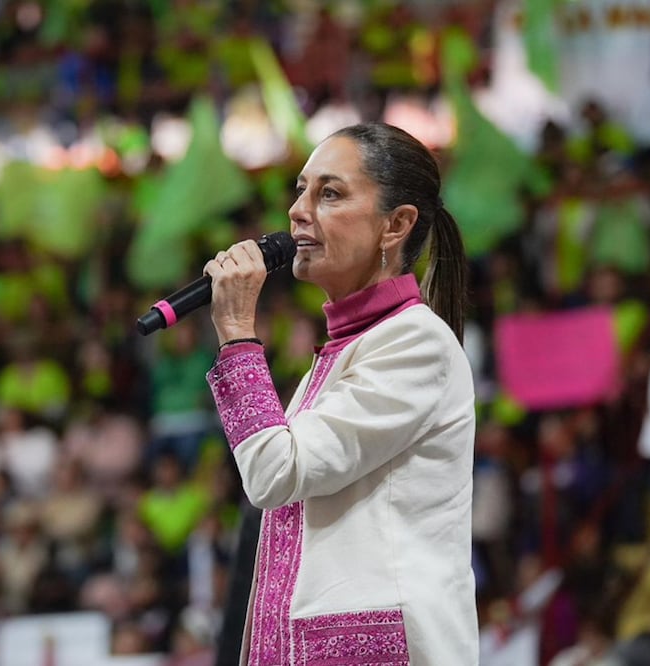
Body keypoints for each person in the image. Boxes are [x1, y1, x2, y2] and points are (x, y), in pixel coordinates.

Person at [203, 122, 477, 665]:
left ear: (395, 225)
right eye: (300, 190)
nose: (298, 211)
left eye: (329, 193)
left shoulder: (414, 342)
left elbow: (274, 473)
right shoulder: (342, 355)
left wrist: (237, 333)